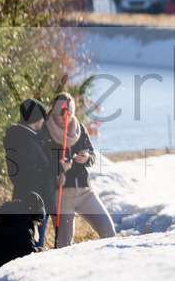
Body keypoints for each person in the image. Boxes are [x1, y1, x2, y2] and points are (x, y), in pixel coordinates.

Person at [38, 93, 117, 247]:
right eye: (60, 115)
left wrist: (87, 157)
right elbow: (41, 163)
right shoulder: (45, 132)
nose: (64, 119)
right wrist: (58, 166)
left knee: (108, 230)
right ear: (53, 113)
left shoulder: (79, 128)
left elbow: (92, 154)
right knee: (64, 244)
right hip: (61, 193)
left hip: (85, 191)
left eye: (69, 114)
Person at [3, 98, 61, 245]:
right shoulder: (26, 142)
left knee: (30, 250)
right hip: (32, 207)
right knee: (32, 252)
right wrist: (57, 168)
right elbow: (31, 178)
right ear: (36, 118)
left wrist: (56, 172)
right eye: (42, 117)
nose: (44, 121)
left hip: (33, 204)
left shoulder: (28, 138)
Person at [0, 192, 46, 277]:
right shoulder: (22, 229)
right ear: (33, 217)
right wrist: (44, 250)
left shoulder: (9, 222)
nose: (38, 225)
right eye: (38, 221)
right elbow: (26, 255)